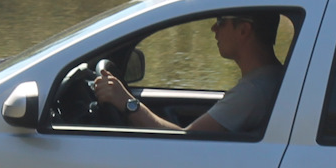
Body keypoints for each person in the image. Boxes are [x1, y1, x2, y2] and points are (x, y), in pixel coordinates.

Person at [93, 12, 285, 135]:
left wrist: (127, 103)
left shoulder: (252, 92)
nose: (213, 28)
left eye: (221, 21)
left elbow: (185, 142)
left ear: (243, 30)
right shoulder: (272, 78)